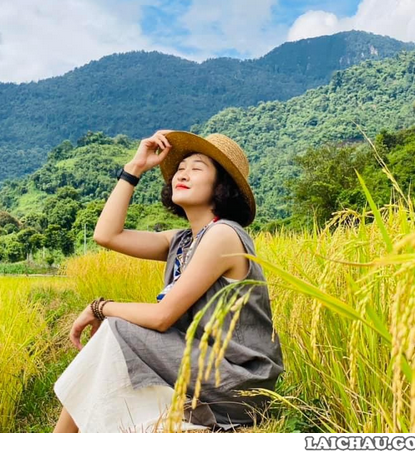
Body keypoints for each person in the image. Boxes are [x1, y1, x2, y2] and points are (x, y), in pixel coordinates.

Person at [53, 130, 284, 432]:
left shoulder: (223, 234)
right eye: (180, 168)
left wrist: (100, 307)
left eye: (197, 168)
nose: (182, 174)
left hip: (237, 382)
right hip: (204, 369)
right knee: (115, 335)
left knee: (116, 326)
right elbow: (106, 235)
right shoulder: (183, 241)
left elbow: (162, 317)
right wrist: (134, 168)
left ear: (221, 186)